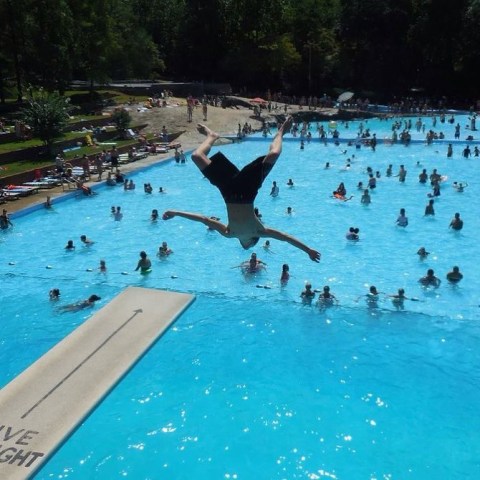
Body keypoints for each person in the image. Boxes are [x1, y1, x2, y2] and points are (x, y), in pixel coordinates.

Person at [162, 119, 320, 262]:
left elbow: (203, 219)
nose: (245, 247)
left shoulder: (229, 233)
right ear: (252, 241)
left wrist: (176, 212)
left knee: (197, 156)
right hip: (247, 191)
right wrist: (307, 250)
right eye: (249, 246)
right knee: (273, 154)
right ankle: (280, 133)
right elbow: (285, 237)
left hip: (228, 191)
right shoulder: (260, 231)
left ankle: (211, 136)